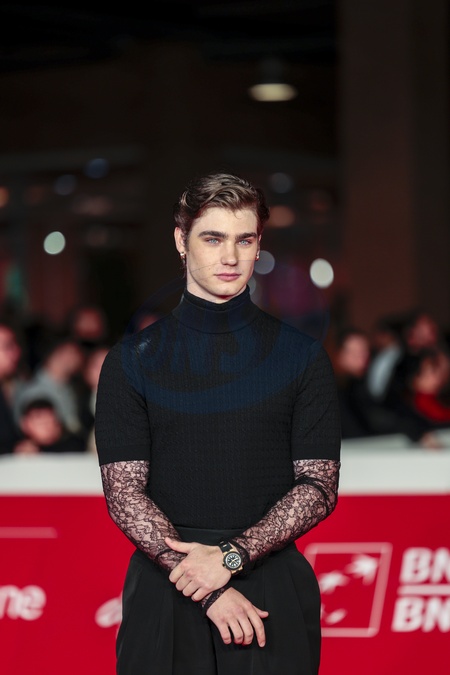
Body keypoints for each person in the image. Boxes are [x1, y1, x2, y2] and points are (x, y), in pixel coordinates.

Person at [94, 172, 341, 675]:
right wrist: (206, 588)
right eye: (213, 238)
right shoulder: (133, 360)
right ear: (181, 241)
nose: (230, 256)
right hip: (167, 586)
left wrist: (229, 558)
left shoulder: (301, 357)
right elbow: (124, 493)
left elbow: (319, 486)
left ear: (258, 245)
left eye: (244, 240)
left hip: (269, 587)